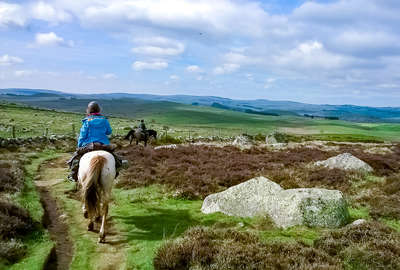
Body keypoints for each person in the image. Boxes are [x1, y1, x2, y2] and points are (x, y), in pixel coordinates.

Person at [67, 101, 124, 181]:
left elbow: (82, 135)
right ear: (99, 110)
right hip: (103, 145)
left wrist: (79, 146)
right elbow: (109, 132)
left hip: (89, 145)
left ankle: (73, 175)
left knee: (75, 158)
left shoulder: (87, 121)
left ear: (89, 110)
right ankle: (116, 173)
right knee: (115, 158)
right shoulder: (104, 120)